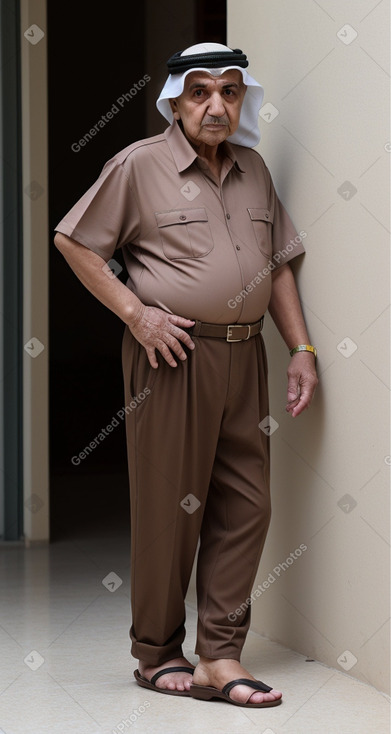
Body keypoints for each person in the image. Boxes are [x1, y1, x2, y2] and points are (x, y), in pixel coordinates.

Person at [54, 42, 318, 708]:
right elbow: (75, 241)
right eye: (199, 91)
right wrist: (136, 314)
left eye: (229, 92)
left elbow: (277, 263)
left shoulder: (253, 168)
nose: (215, 105)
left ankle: (220, 655)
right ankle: (155, 654)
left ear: (241, 100)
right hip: (170, 355)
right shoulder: (138, 166)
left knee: (246, 503)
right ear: (175, 99)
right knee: (171, 508)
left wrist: (302, 348)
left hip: (244, 355)